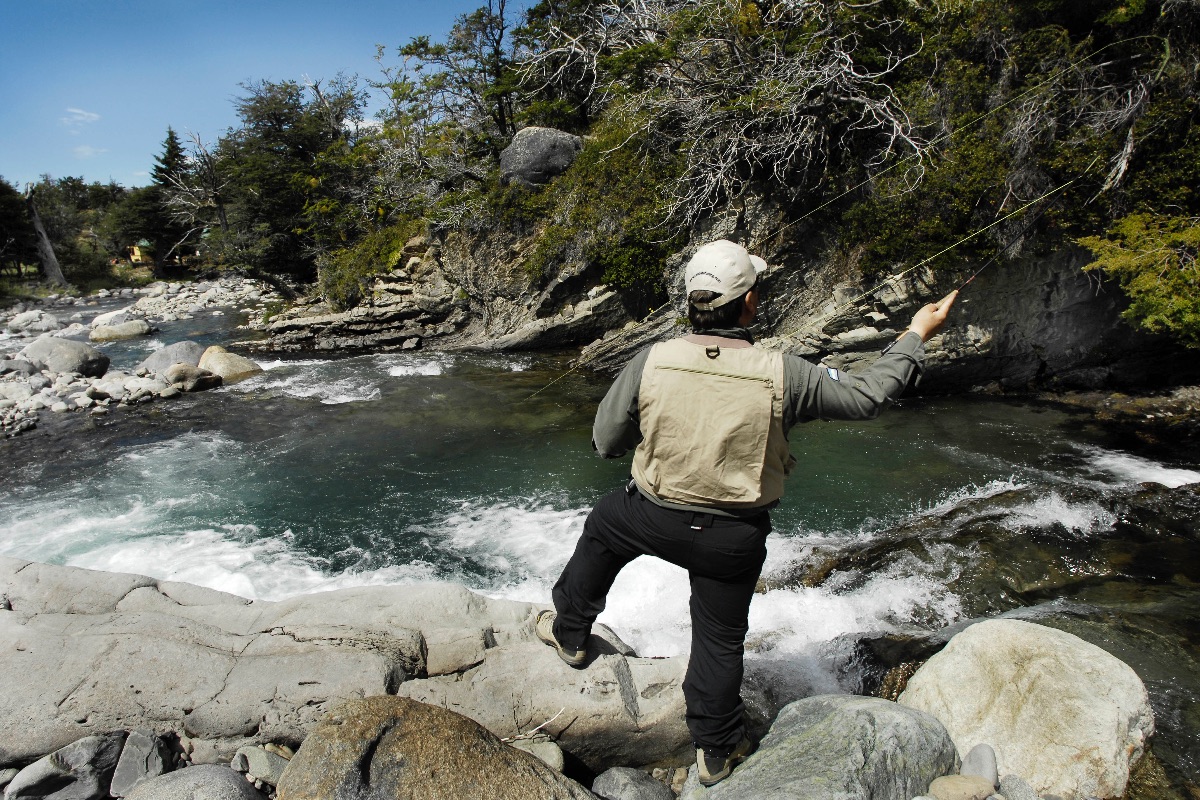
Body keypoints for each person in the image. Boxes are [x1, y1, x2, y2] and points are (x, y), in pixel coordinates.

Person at [536, 239, 957, 786]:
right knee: (718, 635)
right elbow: (866, 397)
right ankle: (712, 752)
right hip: (731, 537)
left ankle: (570, 635)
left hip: (649, 515)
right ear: (750, 302)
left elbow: (606, 441)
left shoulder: (653, 359)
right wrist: (914, 335)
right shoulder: (785, 373)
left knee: (602, 528)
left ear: (691, 303)